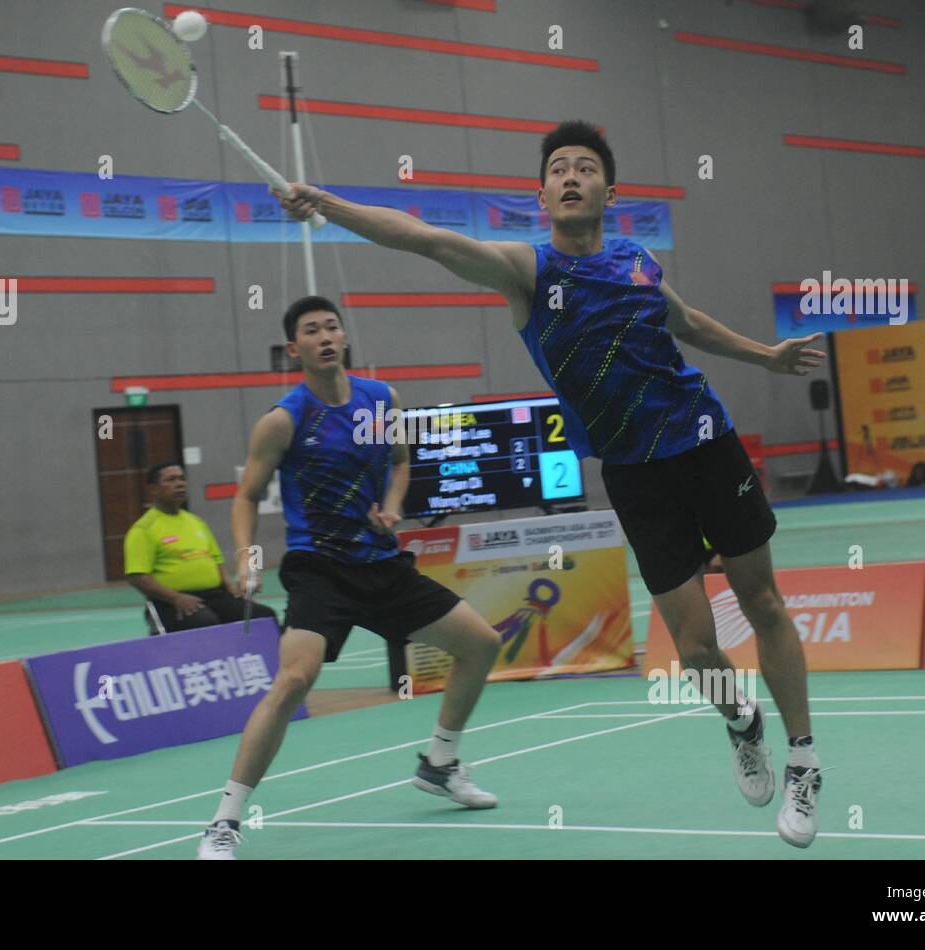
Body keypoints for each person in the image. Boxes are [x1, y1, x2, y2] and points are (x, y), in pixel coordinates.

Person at [273, 120, 828, 848]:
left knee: (762, 601)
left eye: (586, 167)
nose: (571, 176)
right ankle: (741, 721)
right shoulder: (527, 273)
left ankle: (804, 761)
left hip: (704, 441)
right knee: (695, 647)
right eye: (559, 169)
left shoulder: (636, 260)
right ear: (541, 196)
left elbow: (687, 323)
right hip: (633, 472)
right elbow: (424, 238)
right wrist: (329, 207)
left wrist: (765, 356)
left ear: (609, 190)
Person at [197, 296, 503, 860]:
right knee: (293, 680)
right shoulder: (284, 419)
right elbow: (245, 495)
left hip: (380, 562)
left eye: (332, 327)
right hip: (320, 569)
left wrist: (392, 507)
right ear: (295, 349)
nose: (326, 336)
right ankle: (224, 822)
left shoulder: (380, 398)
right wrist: (245, 556)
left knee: (481, 644)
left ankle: (439, 763)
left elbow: (401, 459)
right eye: (312, 331)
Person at [124, 462, 276, 633]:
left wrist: (230, 587)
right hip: (173, 602)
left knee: (263, 616)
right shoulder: (143, 529)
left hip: (215, 595)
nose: (180, 484)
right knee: (205, 622)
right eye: (171, 480)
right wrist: (176, 598)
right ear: (153, 489)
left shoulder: (196, 522)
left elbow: (216, 560)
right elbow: (137, 577)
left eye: (182, 479)